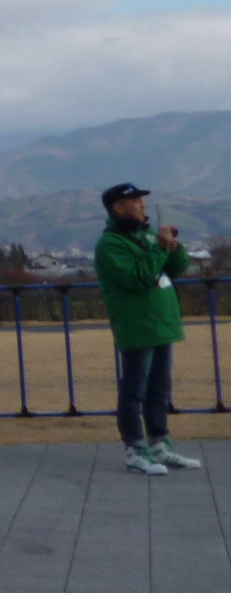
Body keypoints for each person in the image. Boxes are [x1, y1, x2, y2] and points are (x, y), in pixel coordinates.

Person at [94, 183, 202, 475]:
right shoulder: (110, 244)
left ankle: (159, 445)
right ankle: (135, 450)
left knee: (159, 388)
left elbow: (175, 269)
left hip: (161, 321)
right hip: (136, 324)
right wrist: (158, 248)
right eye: (136, 202)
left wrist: (173, 247)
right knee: (134, 390)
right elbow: (138, 277)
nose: (143, 206)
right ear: (119, 207)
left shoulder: (146, 236)